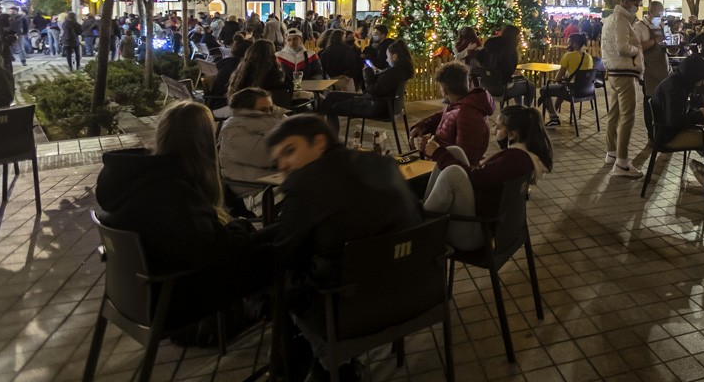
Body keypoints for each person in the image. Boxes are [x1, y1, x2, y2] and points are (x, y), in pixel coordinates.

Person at [265, 115, 421, 381]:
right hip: (414, 294)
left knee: (280, 285)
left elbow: (285, 254)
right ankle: (321, 364)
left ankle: (328, 365)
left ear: (319, 142)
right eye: (277, 160)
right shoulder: (383, 163)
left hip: (352, 312)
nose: (283, 165)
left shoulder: (305, 188)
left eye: (290, 151)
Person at [96, 102, 270, 329]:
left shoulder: (138, 178)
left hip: (136, 293)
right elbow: (219, 252)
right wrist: (242, 226)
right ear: (203, 141)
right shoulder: (172, 193)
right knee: (278, 251)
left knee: (270, 241)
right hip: (173, 300)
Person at [422, 105, 552, 250]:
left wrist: (438, 153)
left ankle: (422, 225)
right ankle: (426, 211)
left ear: (512, 134)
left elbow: (476, 178)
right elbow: (483, 177)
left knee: (453, 173)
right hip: (487, 222)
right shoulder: (524, 156)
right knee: (454, 151)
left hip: (475, 233)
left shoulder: (513, 160)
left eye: (499, 127)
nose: (495, 131)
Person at [408, 61, 492, 166]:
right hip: (441, 166)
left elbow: (465, 162)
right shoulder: (460, 104)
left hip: (448, 175)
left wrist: (434, 151)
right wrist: (421, 126)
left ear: (444, 90)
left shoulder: (467, 114)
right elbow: (442, 116)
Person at [602, 0, 645, 177]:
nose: (637, 8)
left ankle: (612, 152)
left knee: (614, 113)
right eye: (636, 3)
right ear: (627, 2)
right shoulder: (621, 20)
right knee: (628, 115)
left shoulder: (611, 19)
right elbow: (622, 48)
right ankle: (622, 162)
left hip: (613, 71)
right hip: (624, 71)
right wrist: (637, 50)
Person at [217, 87, 284, 208]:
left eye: (271, 108)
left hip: (274, 181)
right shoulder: (233, 130)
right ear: (246, 109)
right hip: (256, 191)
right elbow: (270, 156)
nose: (269, 113)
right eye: (263, 110)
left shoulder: (269, 120)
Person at [539, 33, 594, 126]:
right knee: (563, 86)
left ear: (575, 43)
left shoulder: (568, 56)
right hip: (586, 91)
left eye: (569, 43)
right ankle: (555, 113)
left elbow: (558, 77)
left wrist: (558, 79)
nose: (567, 45)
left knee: (544, 89)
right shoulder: (589, 57)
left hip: (572, 91)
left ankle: (553, 116)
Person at [637, 0, 669, 96]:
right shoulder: (639, 27)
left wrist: (672, 48)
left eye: (661, 15)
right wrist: (654, 41)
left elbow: (667, 44)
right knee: (650, 98)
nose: (659, 18)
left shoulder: (662, 26)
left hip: (664, 68)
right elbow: (637, 48)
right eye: (657, 15)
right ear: (649, 12)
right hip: (649, 70)